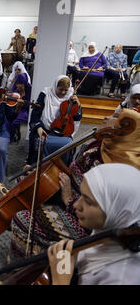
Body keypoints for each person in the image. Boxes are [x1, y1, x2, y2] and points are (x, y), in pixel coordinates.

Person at [9, 108, 140, 260]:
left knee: (22, 219)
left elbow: (100, 219)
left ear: (127, 133)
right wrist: (41, 173)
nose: (106, 117)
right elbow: (71, 171)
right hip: (69, 197)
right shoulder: (98, 146)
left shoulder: (122, 170)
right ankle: (36, 254)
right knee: (26, 188)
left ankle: (26, 269)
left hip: (87, 224)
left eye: (115, 117)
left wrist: (69, 199)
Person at [47, 163, 140, 285]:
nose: (76, 205)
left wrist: (60, 281)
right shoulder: (107, 233)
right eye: (81, 196)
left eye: (88, 201)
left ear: (115, 211)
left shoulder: (121, 278)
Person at [26, 75, 82, 167]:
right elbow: (35, 115)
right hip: (45, 129)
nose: (63, 92)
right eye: (60, 89)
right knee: (37, 140)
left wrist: (78, 105)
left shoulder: (71, 96)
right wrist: (39, 127)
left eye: (66, 90)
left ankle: (62, 167)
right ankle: (35, 167)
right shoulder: (45, 94)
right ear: (55, 86)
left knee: (69, 145)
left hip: (63, 131)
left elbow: (77, 117)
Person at [7, 73, 31, 144]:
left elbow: (29, 104)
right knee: (8, 121)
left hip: (25, 110)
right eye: (17, 84)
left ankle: (13, 135)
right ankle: (11, 136)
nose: (19, 86)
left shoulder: (29, 89)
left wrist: (23, 100)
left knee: (14, 122)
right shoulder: (15, 90)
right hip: (16, 109)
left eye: (22, 84)